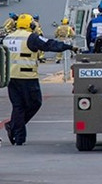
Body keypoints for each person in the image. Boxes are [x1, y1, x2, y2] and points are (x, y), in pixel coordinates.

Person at [2, 14, 79, 145]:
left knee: (18, 106)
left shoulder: (8, 38)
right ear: (31, 25)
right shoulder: (31, 38)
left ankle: (18, 136)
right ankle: (13, 126)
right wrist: (69, 47)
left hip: (11, 78)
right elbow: (50, 44)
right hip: (27, 77)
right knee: (35, 103)